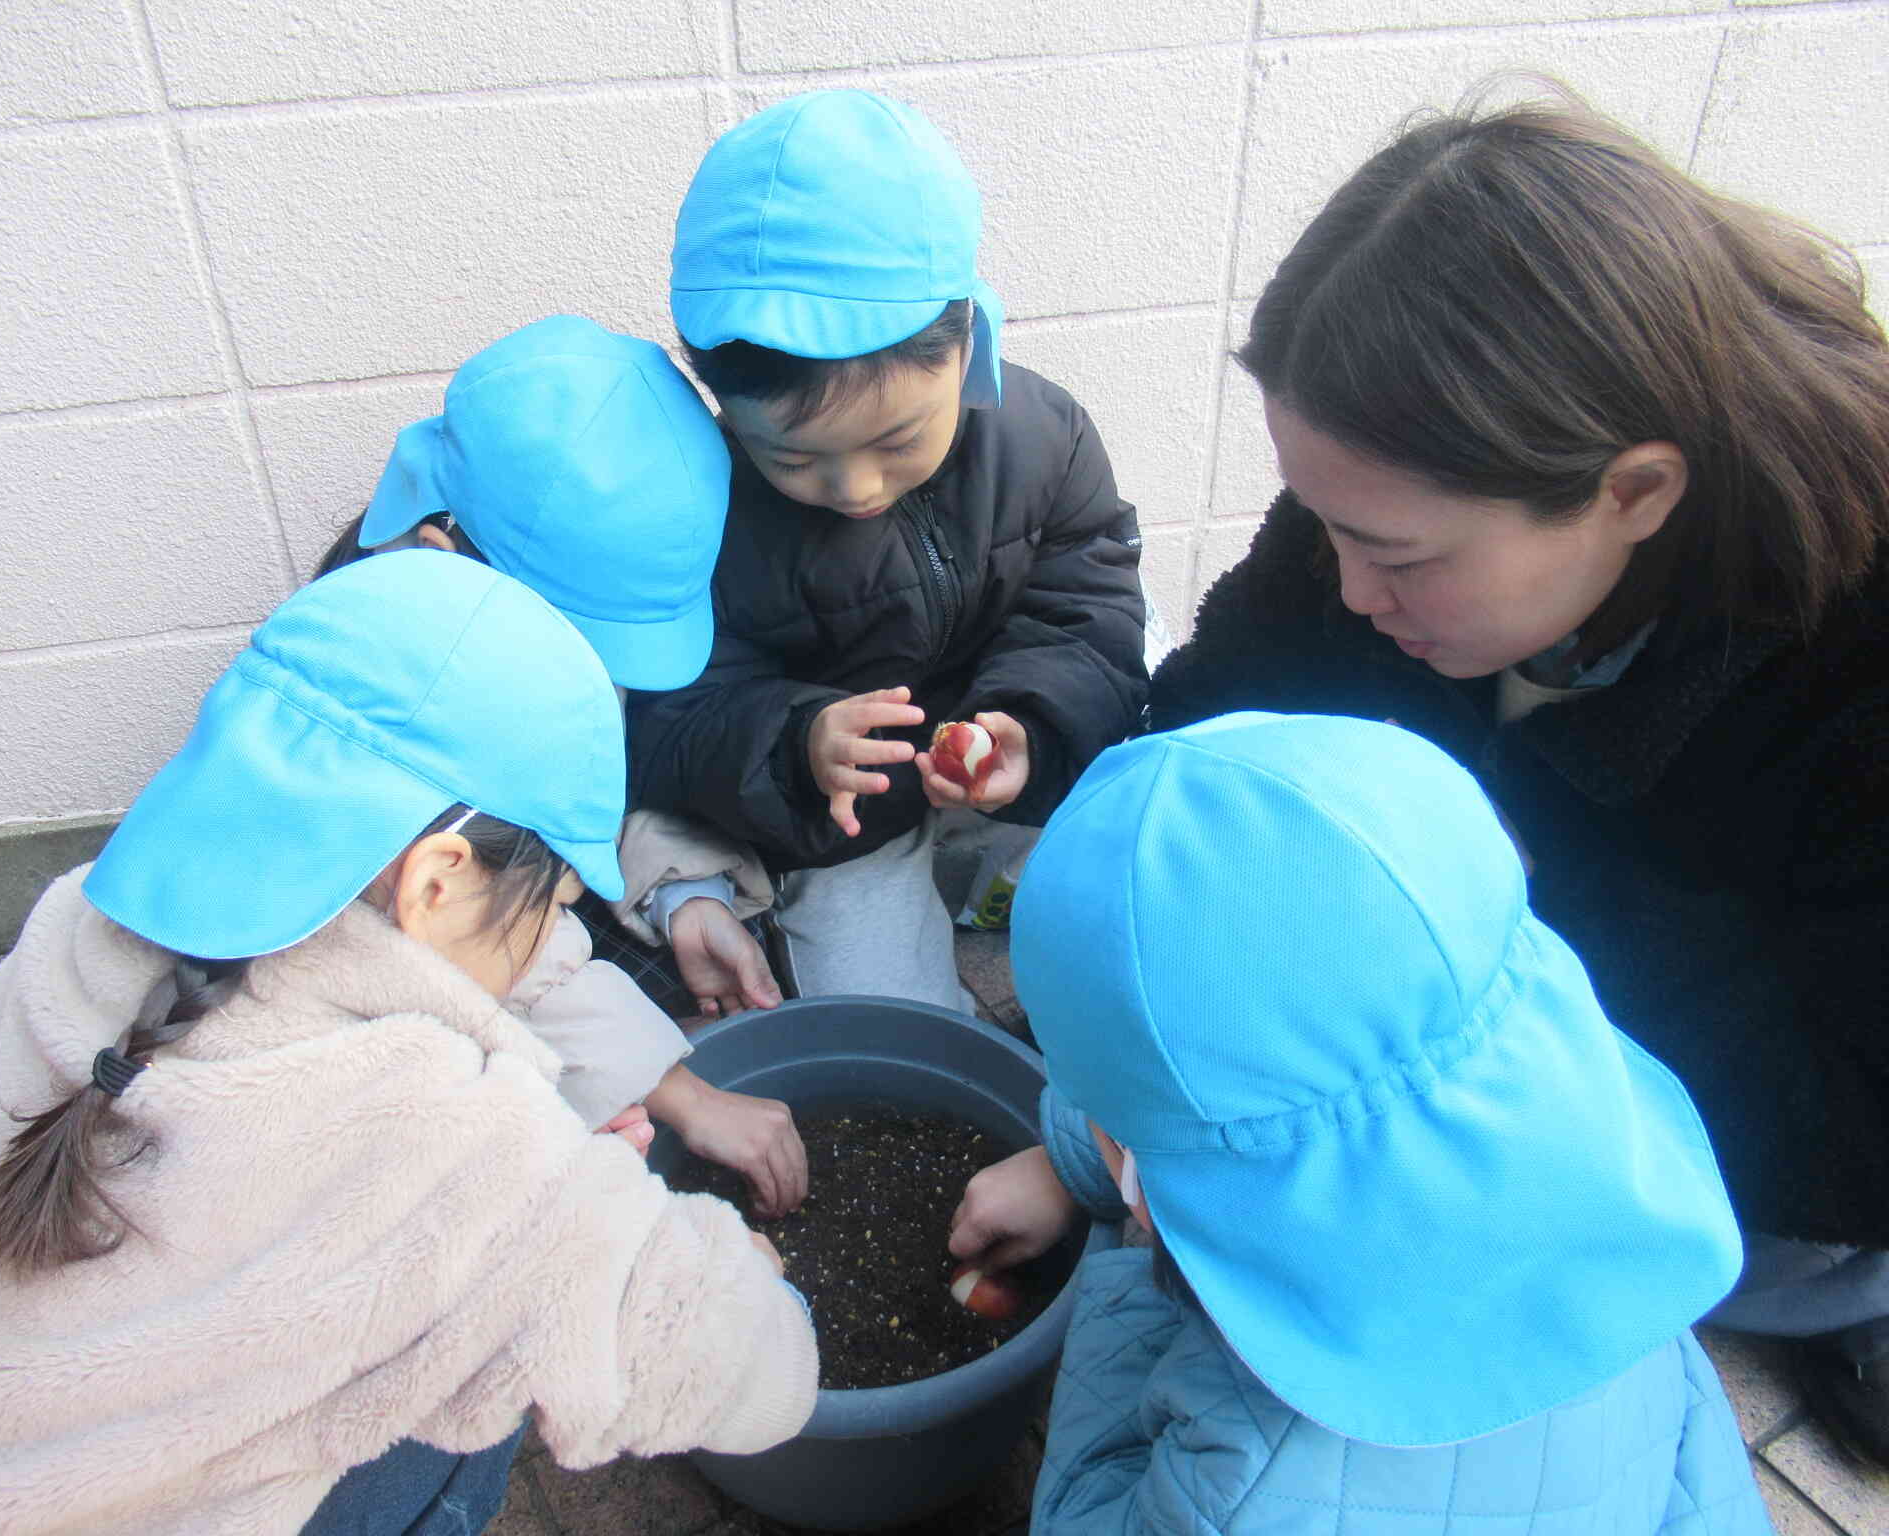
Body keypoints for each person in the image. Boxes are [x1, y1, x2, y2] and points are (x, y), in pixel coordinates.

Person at [1145, 93, 1889, 1459]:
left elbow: (1854, 1111)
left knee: (1784, 1253)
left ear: (1636, 491)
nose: (1348, 588)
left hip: (1777, 1130)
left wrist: (1468, 924)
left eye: (1401, 557)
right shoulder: (1390, 500)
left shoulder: (1853, 645)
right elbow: (1216, 714)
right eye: (1323, 526)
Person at [0, 553, 817, 1535]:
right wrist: (749, 1280)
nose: (554, 928)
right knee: (455, 1406)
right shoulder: (447, 1142)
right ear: (436, 885)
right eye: (555, 901)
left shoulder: (73, 927)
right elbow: (758, 1379)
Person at [951, 713, 1769, 1533]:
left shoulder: (1238, 1489)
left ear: (1138, 1182)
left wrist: (1132, 1291)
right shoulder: (1632, 1234)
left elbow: (1082, 1510)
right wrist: (1078, 1166)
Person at [626, 89, 1148, 1011]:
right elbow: (677, 714)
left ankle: (995, 859)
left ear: (968, 343)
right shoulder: (699, 511)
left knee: (1143, 889)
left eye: (900, 440)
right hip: (847, 820)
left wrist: (1028, 726)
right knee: (889, 1014)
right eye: (793, 457)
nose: (857, 489)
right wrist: (798, 743)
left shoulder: (1045, 437)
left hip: (995, 759)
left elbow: (1089, 608)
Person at [319, 314, 804, 1216]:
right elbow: (467, 931)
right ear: (441, 549)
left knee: (709, 975)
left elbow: (604, 773)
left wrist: (678, 893)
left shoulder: (517, 603)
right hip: (387, 977)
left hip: (499, 899)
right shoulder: (391, 707)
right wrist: (678, 1091)